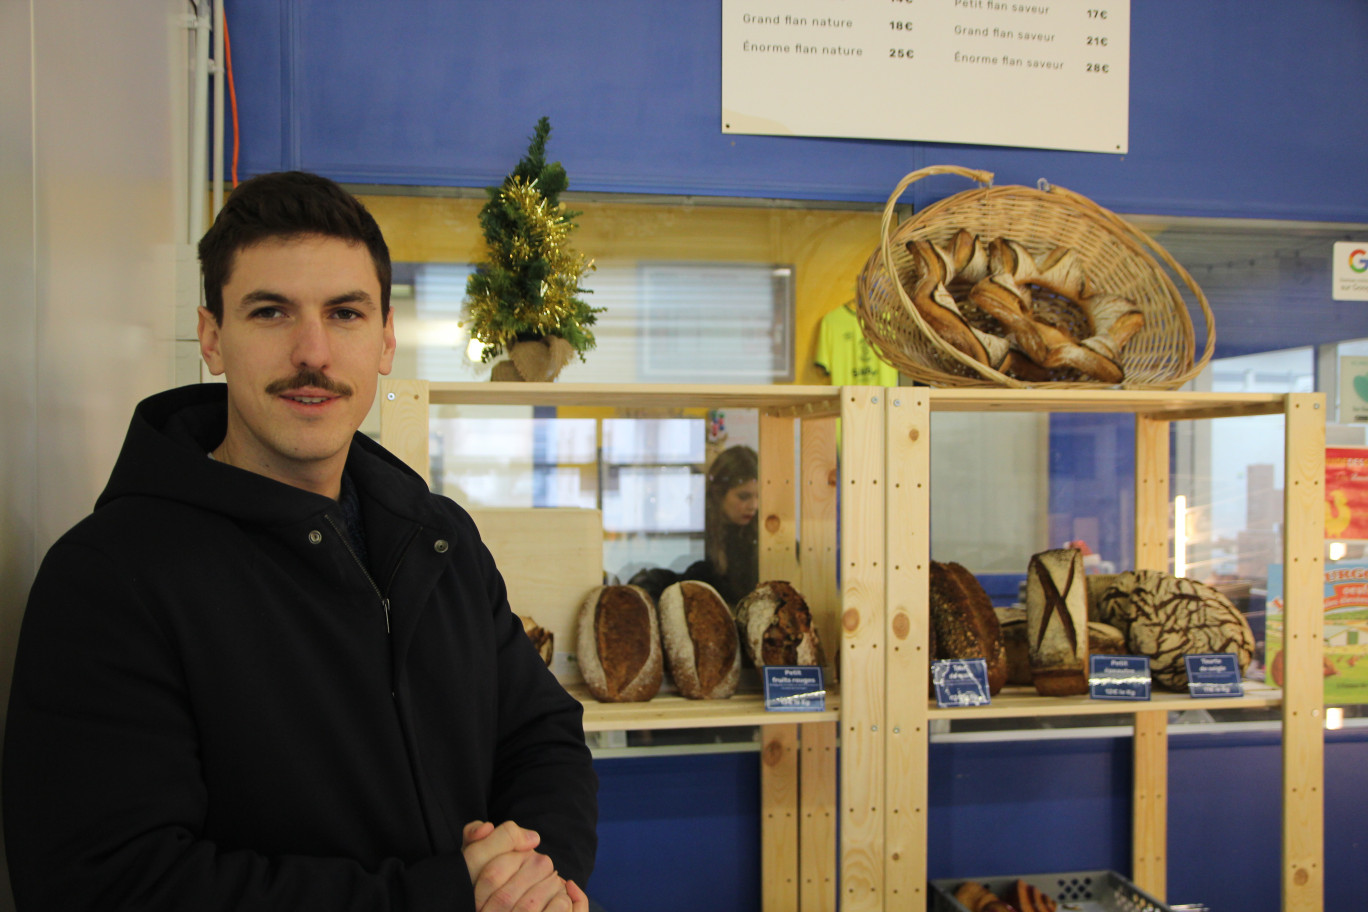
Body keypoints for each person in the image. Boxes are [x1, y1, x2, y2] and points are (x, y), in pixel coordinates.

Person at [3, 172, 598, 912]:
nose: (312, 352)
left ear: (384, 340)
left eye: (345, 314)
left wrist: (537, 876)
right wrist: (447, 898)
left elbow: (543, 736)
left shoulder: (440, 540)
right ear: (213, 339)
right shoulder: (109, 579)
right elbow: (104, 885)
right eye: (271, 313)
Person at [684, 445, 760, 605]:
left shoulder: (764, 534)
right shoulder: (699, 537)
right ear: (719, 494)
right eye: (743, 496)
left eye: (759, 496)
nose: (753, 505)